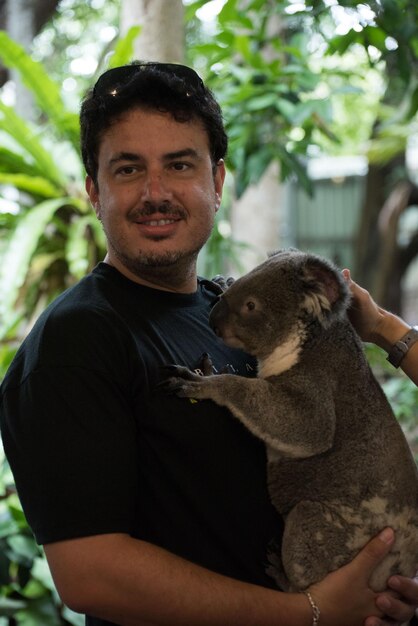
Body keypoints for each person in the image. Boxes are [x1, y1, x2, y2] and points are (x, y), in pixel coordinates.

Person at [0, 61, 417, 626]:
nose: (155, 192)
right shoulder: (76, 341)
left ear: (216, 182)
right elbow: (90, 573)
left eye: (179, 165)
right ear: (93, 191)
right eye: (127, 170)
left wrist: (381, 581)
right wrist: (310, 613)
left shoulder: (232, 312)